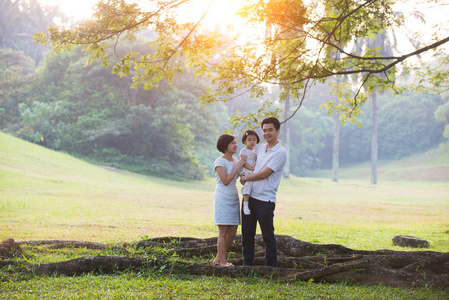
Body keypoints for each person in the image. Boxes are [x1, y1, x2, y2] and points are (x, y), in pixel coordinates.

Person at [240, 117, 287, 267]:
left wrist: (246, 177)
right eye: (264, 130)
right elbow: (251, 164)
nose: (267, 133)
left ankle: (270, 269)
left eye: (270, 130)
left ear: (277, 131)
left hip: (265, 200)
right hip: (250, 197)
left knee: (268, 237)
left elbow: (264, 174)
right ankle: (247, 267)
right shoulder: (260, 148)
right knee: (247, 235)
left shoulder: (280, 152)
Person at [213, 134, 246, 266]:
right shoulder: (220, 162)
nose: (235, 145)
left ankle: (218, 258)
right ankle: (223, 262)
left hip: (234, 196)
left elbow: (240, 176)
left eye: (235, 142)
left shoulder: (235, 160)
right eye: (232, 143)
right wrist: (237, 167)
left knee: (232, 231)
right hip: (222, 197)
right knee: (223, 231)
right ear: (225, 146)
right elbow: (225, 180)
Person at [239, 130, 260, 215]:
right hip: (246, 170)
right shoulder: (243, 151)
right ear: (244, 141)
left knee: (253, 184)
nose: (252, 142)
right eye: (249, 140)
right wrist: (251, 169)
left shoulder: (256, 152)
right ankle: (245, 204)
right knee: (248, 183)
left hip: (253, 170)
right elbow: (244, 162)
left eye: (254, 140)